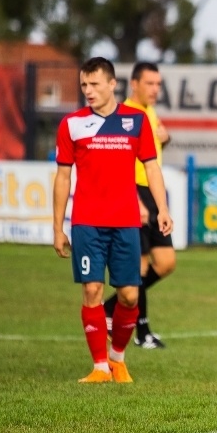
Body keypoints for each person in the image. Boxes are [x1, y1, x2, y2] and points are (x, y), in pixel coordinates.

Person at [52, 57, 172, 384]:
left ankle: (118, 358)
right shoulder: (72, 124)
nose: (88, 91)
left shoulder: (136, 121)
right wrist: (57, 226)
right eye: (83, 86)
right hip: (87, 222)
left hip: (126, 222)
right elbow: (63, 178)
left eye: (93, 85)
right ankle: (99, 367)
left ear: (112, 84)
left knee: (129, 295)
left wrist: (162, 208)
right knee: (92, 289)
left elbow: (151, 167)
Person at [103, 62, 175, 349]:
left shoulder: (150, 114)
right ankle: (141, 331)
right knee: (140, 266)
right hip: (133, 192)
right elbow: (118, 162)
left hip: (153, 194)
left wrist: (166, 140)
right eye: (150, 84)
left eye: (158, 84)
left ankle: (111, 307)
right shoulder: (125, 116)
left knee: (166, 263)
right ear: (134, 84)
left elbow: (150, 156)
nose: (155, 89)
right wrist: (133, 198)